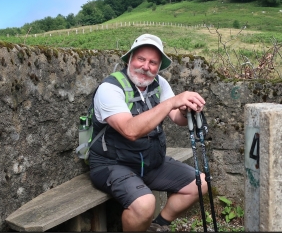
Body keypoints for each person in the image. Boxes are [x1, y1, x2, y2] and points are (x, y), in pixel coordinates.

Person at [89, 33, 208, 231]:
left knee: (201, 183)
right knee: (145, 204)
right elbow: (130, 130)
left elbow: (177, 118)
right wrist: (172, 102)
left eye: (153, 62)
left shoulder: (159, 84)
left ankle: (157, 226)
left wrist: (186, 110)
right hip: (112, 165)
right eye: (141, 59)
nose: (146, 67)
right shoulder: (109, 88)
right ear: (130, 59)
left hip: (150, 162)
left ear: (159, 66)